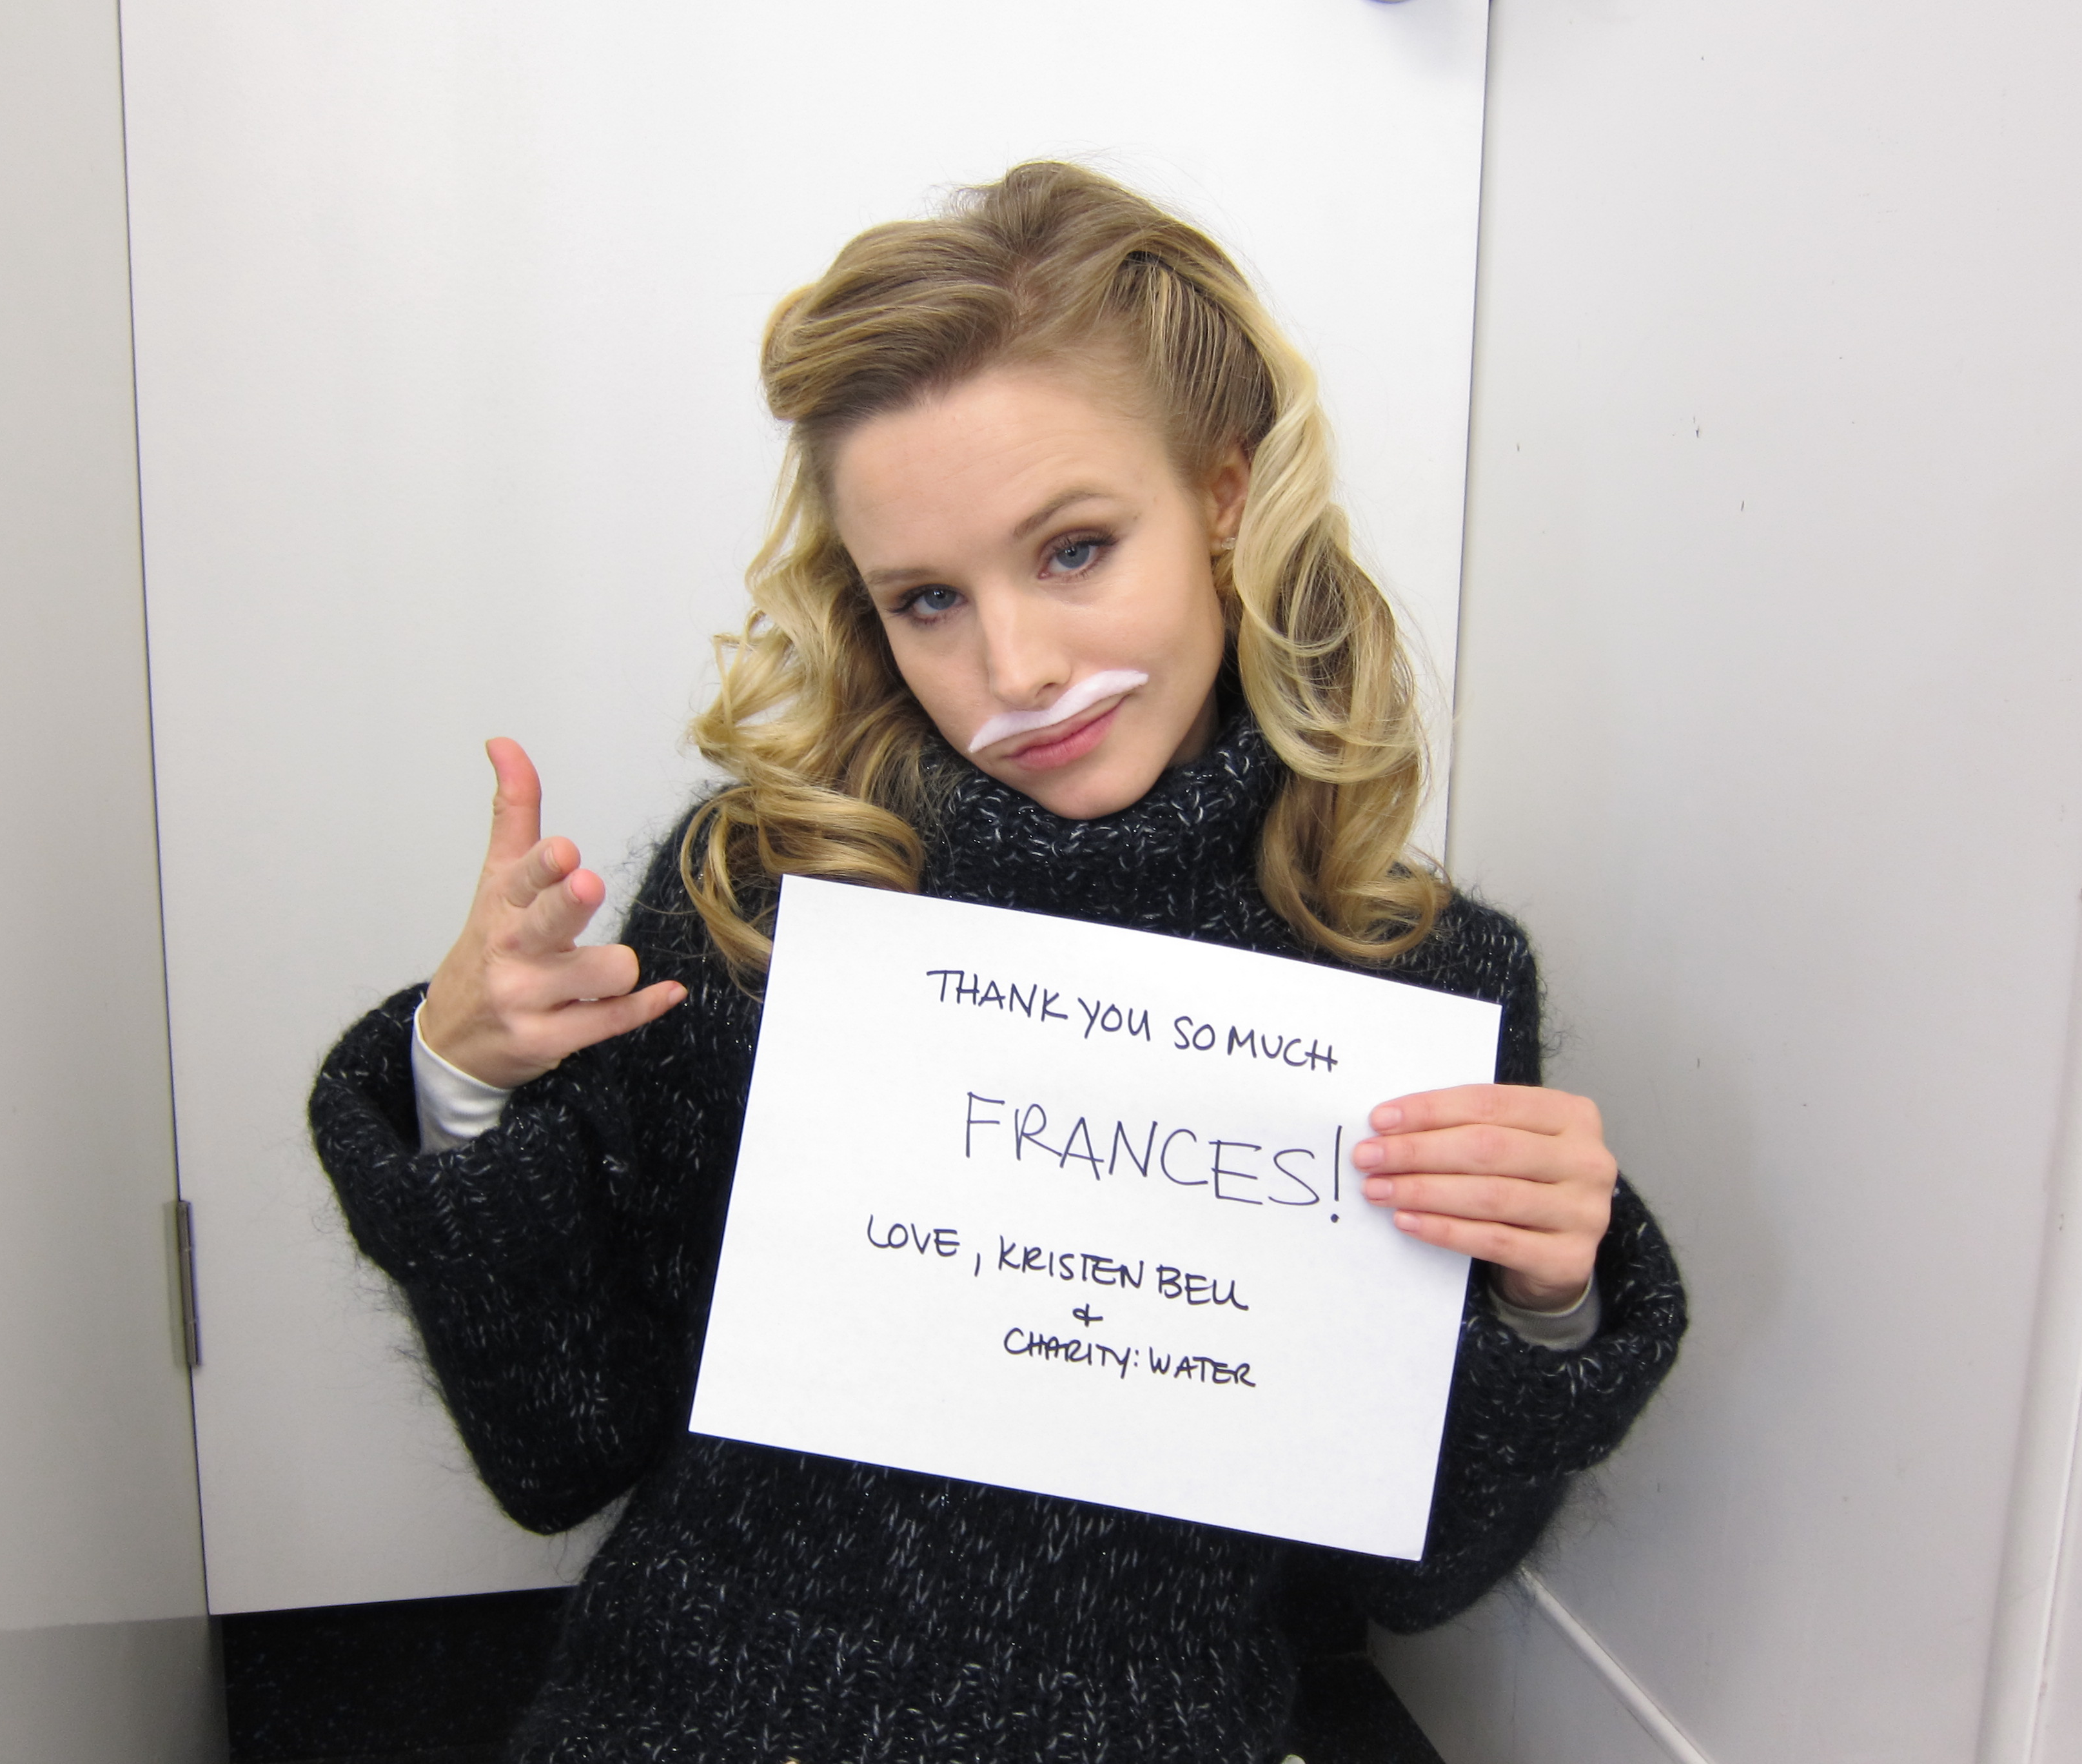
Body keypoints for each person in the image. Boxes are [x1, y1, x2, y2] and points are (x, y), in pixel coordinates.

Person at [310, 161, 1685, 1763]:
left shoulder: (1412, 980)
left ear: (1226, 496)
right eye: (927, 599)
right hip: (697, 1711)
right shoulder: (761, 903)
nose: (1014, 668)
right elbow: (560, 1454)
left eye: (1076, 549)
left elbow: (1414, 1573)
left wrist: (1545, 1306)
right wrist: (466, 1092)